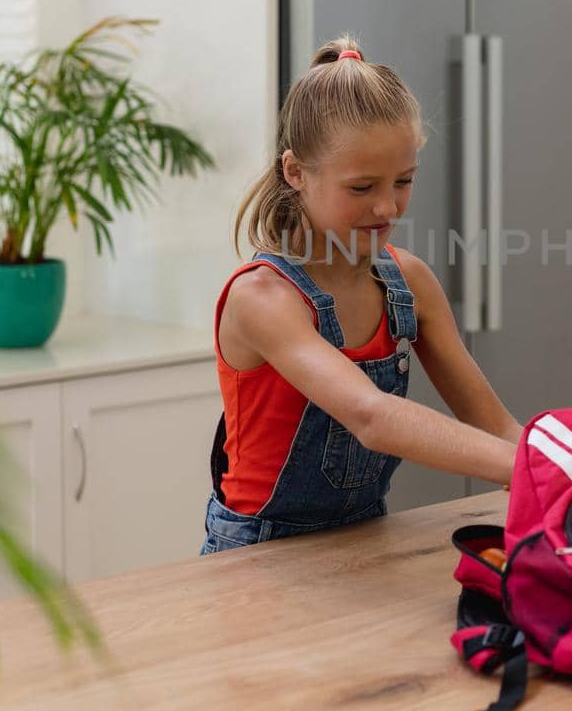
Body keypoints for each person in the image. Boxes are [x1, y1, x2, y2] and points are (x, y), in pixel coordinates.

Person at [201, 36, 520, 554]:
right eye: (362, 188)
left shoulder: (408, 284)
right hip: (258, 555)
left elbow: (498, 425)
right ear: (295, 173)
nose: (388, 207)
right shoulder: (261, 297)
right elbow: (371, 416)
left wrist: (570, 464)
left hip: (367, 539)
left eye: (403, 181)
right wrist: (523, 466)